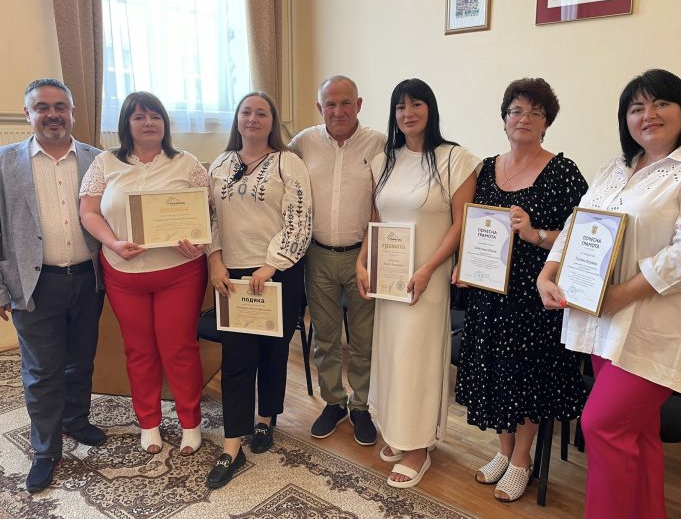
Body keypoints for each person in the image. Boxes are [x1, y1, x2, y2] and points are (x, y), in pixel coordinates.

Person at [537, 69, 681, 518]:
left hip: (660, 327)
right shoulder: (616, 167)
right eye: (636, 107)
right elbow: (577, 224)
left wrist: (623, 294)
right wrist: (548, 273)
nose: (649, 115)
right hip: (604, 321)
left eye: (661, 103)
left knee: (601, 426)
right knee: (637, 433)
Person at [453, 78, 589, 502]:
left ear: (547, 122)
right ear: (504, 119)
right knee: (494, 371)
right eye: (516, 110)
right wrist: (463, 263)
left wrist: (534, 234)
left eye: (535, 112)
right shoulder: (485, 169)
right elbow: (471, 224)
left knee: (525, 376)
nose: (524, 118)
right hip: (488, 293)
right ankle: (503, 449)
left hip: (533, 298)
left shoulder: (563, 173)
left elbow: (582, 239)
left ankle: (522, 459)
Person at [0, 78, 106, 493]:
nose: (52, 114)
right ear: (27, 113)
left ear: (73, 113)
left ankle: (75, 420)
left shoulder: (98, 160)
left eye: (60, 106)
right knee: (42, 370)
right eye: (42, 107)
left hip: (89, 280)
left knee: (81, 360)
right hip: (34, 284)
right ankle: (46, 449)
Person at [356, 78, 480, 489]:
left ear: (431, 108)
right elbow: (376, 218)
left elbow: (461, 222)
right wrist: (362, 260)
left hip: (427, 278)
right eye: (400, 107)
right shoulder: (384, 161)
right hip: (389, 278)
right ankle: (398, 431)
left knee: (418, 358)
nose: (408, 113)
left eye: (416, 104)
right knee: (392, 355)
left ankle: (418, 447)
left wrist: (428, 269)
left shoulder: (455, 159)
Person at [79, 92, 208, 456]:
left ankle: (190, 422)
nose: (148, 122)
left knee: (179, 348)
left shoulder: (186, 162)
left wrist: (197, 241)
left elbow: (208, 211)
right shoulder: (105, 162)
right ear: (126, 124)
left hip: (180, 272)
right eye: (139, 117)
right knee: (139, 351)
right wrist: (113, 242)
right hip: (124, 274)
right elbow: (89, 211)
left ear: (165, 122)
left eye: (155, 116)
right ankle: (149, 423)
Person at [205, 92, 312, 489]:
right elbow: (210, 219)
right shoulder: (220, 165)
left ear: (272, 121)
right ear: (237, 119)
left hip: (277, 271)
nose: (253, 118)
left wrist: (272, 264)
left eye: (261, 113)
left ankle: (266, 418)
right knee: (236, 359)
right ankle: (232, 445)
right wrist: (215, 259)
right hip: (231, 276)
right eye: (246, 112)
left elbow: (300, 218)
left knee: (272, 353)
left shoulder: (288, 162)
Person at [288, 75, 386, 445]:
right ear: (320, 108)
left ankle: (360, 406)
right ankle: (334, 402)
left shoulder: (379, 143)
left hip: (364, 255)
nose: (338, 111)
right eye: (330, 104)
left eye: (346, 103)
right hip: (318, 255)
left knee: (363, 339)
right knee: (326, 338)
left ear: (358, 105)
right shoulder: (303, 143)